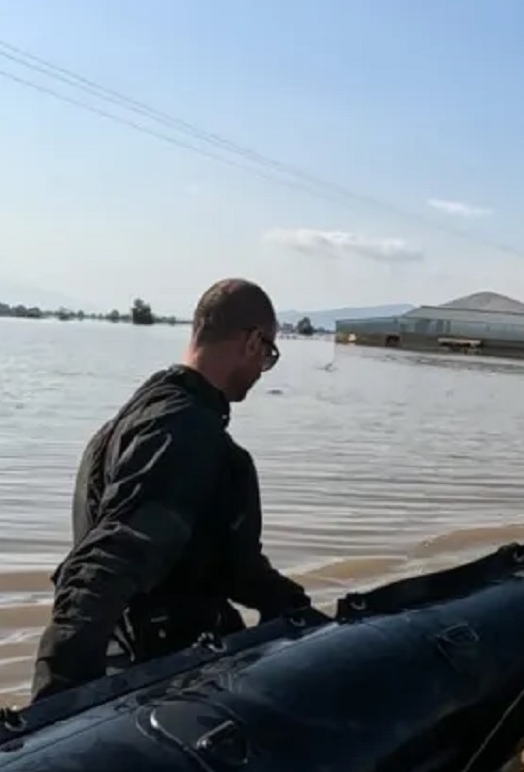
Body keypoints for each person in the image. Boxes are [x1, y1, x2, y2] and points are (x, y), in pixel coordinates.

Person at [31, 279, 315, 701]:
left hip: (148, 664)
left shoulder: (133, 422)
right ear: (253, 341)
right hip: (164, 682)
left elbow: (226, 563)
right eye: (268, 355)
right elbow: (100, 569)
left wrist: (293, 608)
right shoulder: (183, 434)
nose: (262, 370)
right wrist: (54, 713)